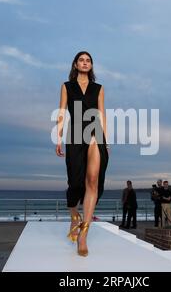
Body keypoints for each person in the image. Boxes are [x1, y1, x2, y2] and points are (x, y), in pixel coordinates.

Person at [56, 51, 109, 257]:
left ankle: (83, 235)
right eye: (81, 60)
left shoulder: (99, 88)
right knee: (75, 183)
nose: (85, 63)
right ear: (75, 64)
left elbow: (102, 114)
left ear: (91, 65)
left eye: (88, 61)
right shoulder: (66, 86)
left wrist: (107, 140)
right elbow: (61, 112)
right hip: (76, 132)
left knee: (93, 180)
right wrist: (58, 137)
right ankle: (73, 215)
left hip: (95, 131)